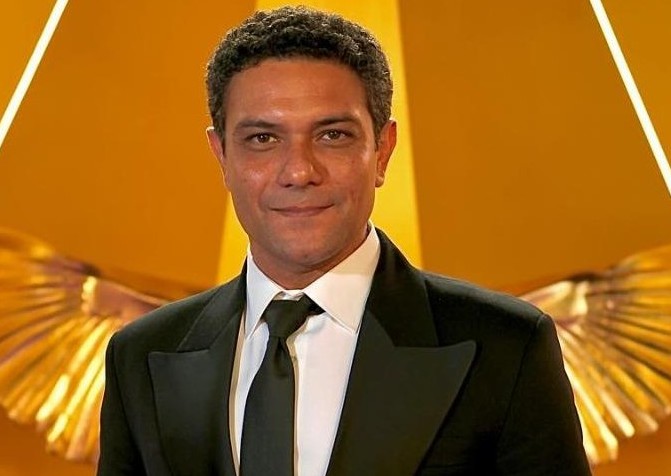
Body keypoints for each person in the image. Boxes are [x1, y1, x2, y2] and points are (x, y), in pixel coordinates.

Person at [97, 6, 591, 476]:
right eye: (263, 139)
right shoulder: (140, 355)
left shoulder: (505, 347)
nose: (299, 171)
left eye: (332, 135)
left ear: (382, 151)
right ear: (221, 156)